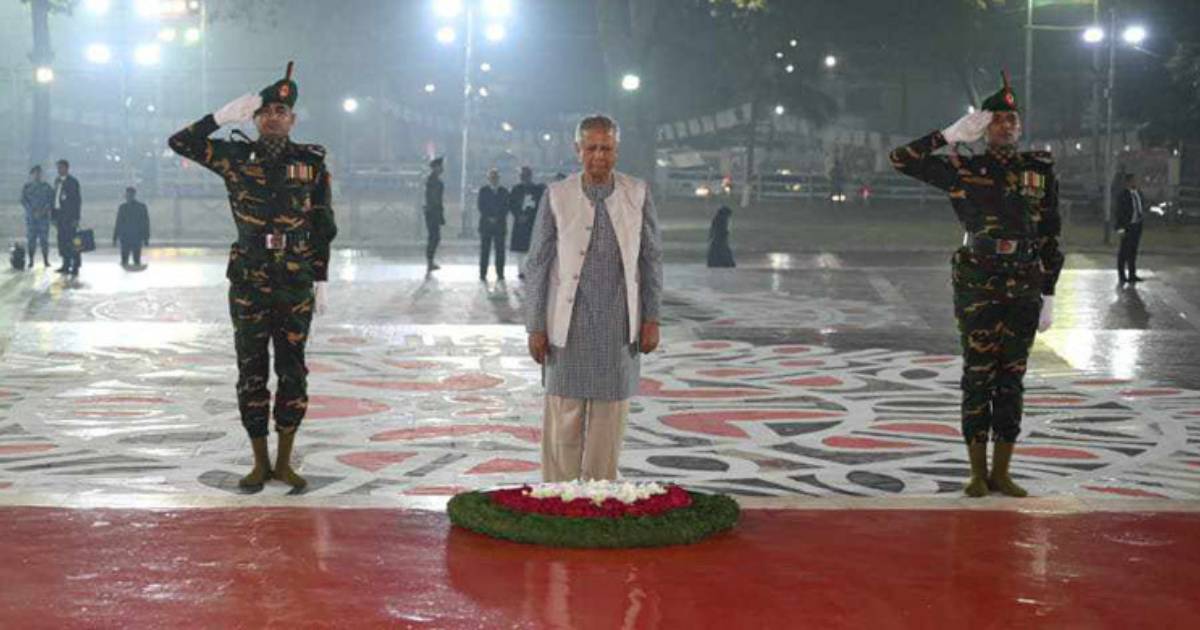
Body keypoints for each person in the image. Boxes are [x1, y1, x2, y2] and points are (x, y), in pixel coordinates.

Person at [889, 72, 1063, 498]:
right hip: (978, 280)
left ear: (1020, 128)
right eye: (999, 119)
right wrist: (947, 135)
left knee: (1012, 377)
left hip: (1023, 280)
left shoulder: (1037, 170)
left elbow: (1050, 235)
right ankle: (976, 472)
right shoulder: (963, 168)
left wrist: (1050, 292)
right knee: (978, 375)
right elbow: (900, 159)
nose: (1007, 125)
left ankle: (1002, 471)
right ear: (985, 127)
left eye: (1013, 119)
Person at [168, 61, 337, 491]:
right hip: (249, 280)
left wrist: (320, 276)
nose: (274, 117)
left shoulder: (311, 162)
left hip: (296, 281)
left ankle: (285, 461)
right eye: (265, 111)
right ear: (256, 117)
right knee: (251, 369)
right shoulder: (234, 156)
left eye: (282, 111)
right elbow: (181, 142)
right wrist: (220, 118)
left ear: (292, 119)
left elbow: (323, 223)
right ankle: (259, 462)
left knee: (294, 371)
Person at [523, 114, 663, 482]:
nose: (599, 156)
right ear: (577, 150)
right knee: (563, 420)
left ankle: (601, 498)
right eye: (591, 148)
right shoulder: (557, 195)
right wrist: (535, 326)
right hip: (566, 326)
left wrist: (652, 319)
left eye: (607, 148)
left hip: (618, 325)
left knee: (608, 424)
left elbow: (651, 260)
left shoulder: (637, 193)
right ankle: (557, 496)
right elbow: (537, 263)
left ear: (617, 150)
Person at [508, 165, 546, 279]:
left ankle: (530, 270)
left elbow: (539, 206)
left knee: (531, 248)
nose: (524, 178)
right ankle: (521, 271)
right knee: (520, 250)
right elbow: (511, 204)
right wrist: (518, 215)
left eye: (526, 175)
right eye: (522, 176)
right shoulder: (516, 190)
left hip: (532, 223)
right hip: (519, 223)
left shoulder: (537, 190)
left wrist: (529, 216)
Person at [477, 168, 509, 281]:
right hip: (486, 225)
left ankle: (500, 273)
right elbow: (481, 206)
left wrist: (497, 218)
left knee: (500, 251)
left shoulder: (504, 191)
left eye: (495, 177)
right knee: (484, 251)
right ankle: (482, 273)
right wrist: (489, 217)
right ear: (488, 179)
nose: (494, 179)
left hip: (500, 225)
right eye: (492, 177)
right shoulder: (483, 191)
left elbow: (506, 207)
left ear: (498, 179)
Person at [52, 159, 82, 276]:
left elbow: (77, 201)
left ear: (66, 168)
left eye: (61, 167)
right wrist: (53, 216)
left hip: (70, 217)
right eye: (58, 168)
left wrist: (76, 218)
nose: (59, 170)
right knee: (62, 242)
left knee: (74, 243)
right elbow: (55, 200)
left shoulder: (73, 182)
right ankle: (65, 264)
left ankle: (75, 266)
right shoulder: (57, 181)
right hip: (59, 216)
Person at [1116, 173, 1147, 285]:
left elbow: (1141, 207)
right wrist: (1120, 228)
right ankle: (1122, 275)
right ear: (1128, 182)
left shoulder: (1138, 194)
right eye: (1134, 181)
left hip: (1136, 226)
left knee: (1133, 251)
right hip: (1126, 226)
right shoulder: (1123, 195)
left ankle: (1132, 274)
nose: (1136, 182)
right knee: (1124, 251)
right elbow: (1119, 212)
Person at [20, 165, 53, 268]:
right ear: (31, 174)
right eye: (35, 173)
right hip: (31, 219)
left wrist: (44, 210)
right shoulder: (27, 187)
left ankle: (46, 260)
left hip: (43, 219)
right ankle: (31, 261)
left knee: (44, 241)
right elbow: (24, 201)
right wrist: (32, 211)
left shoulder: (47, 187)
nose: (37, 175)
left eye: (39, 173)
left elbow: (51, 201)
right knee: (31, 240)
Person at [113, 187, 151, 268]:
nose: (127, 196)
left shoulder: (126, 207)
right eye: (127, 195)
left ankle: (128, 274)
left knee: (130, 259)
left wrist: (115, 238)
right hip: (131, 237)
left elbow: (145, 223)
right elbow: (118, 223)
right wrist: (115, 237)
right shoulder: (139, 207)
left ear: (133, 195)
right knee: (130, 260)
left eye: (129, 194)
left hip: (131, 237)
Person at [424, 157, 445, 273]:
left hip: (434, 212)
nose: (442, 168)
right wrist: (437, 213)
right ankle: (430, 261)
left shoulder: (435, 180)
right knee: (434, 237)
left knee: (435, 237)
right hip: (433, 212)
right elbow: (434, 199)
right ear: (436, 167)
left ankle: (430, 261)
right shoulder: (433, 181)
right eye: (440, 166)